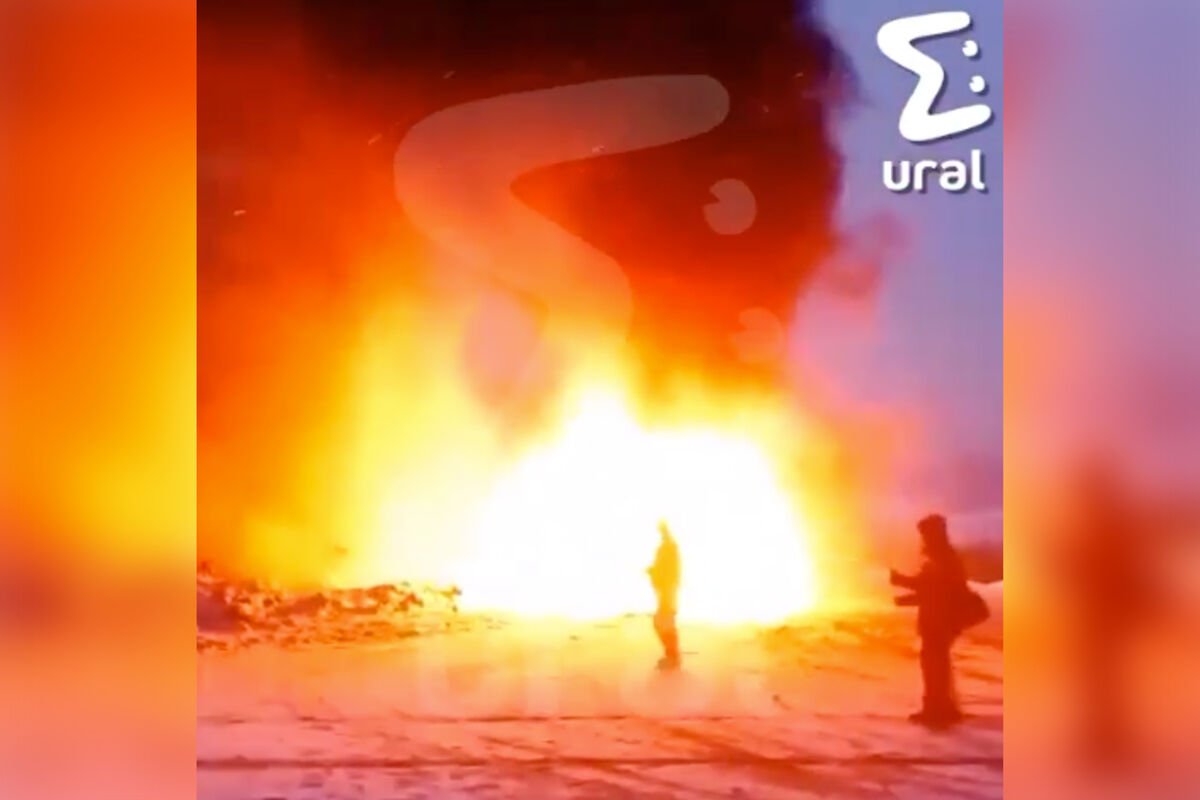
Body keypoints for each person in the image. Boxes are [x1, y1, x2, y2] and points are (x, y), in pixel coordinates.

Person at [890, 513, 976, 727]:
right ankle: (940, 707)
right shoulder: (943, 557)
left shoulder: (943, 559)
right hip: (939, 621)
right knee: (935, 665)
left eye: (925, 534)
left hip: (939, 622)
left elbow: (933, 590)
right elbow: (930, 589)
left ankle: (937, 710)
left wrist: (901, 583)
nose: (923, 539)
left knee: (934, 665)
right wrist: (903, 595)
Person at [647, 520, 681, 669]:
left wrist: (655, 572)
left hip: (667, 590)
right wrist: (653, 571)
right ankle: (671, 656)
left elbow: (669, 570)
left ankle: (672, 657)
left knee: (663, 622)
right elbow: (665, 568)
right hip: (665, 590)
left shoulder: (669, 547)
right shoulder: (667, 546)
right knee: (664, 623)